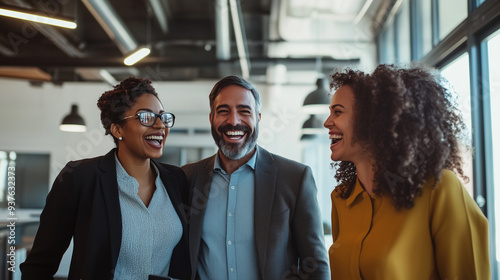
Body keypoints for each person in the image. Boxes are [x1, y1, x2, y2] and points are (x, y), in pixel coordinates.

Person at [323, 64, 490, 279]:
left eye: (338, 112)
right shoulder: (341, 199)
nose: (327, 123)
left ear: (373, 121)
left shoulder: (439, 189)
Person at [21, 77, 190, 280]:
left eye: (163, 117)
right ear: (117, 129)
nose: (160, 125)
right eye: (146, 117)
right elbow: (39, 266)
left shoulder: (176, 180)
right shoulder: (80, 177)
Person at [182, 75, 329, 280]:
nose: (233, 121)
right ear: (211, 118)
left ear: (258, 117)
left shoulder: (295, 178)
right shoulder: (187, 178)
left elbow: (316, 264)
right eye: (223, 111)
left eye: (244, 111)